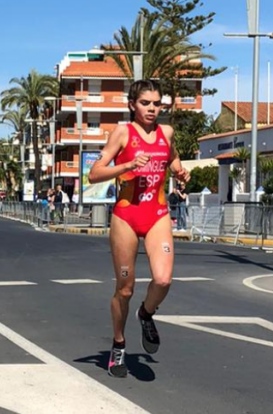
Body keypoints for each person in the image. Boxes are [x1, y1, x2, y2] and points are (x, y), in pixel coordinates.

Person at [88, 79, 189, 378]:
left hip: (156, 214)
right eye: (146, 103)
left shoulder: (166, 133)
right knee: (125, 288)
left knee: (163, 279)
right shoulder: (122, 132)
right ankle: (118, 343)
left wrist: (181, 173)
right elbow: (94, 174)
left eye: (157, 104)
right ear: (133, 104)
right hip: (126, 216)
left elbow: (172, 160)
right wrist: (127, 165)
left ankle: (146, 313)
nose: (152, 109)